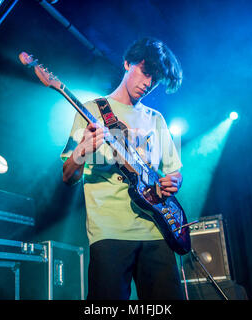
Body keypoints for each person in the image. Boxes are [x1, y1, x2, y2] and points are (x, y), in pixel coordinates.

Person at [61, 37, 184, 300]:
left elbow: (174, 172)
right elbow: (68, 176)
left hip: (157, 230)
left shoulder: (156, 118)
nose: (148, 84)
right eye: (145, 72)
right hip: (110, 232)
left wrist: (173, 182)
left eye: (155, 79)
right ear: (127, 63)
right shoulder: (91, 110)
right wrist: (82, 150)